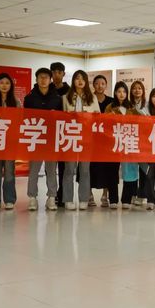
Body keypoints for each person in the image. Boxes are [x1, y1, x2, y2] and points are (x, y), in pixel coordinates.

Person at [24, 68, 63, 211]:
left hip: (51, 139)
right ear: (36, 79)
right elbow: (24, 117)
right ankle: (32, 197)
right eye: (40, 77)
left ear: (50, 79)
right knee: (34, 169)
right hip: (35, 137)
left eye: (46, 77)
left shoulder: (57, 98)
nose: (43, 80)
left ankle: (51, 197)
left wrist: (55, 115)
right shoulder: (29, 98)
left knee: (51, 170)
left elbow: (62, 118)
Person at [62, 70, 100, 210]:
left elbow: (98, 117)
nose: (80, 81)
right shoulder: (65, 97)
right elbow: (62, 118)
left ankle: (84, 198)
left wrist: (88, 116)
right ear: (73, 81)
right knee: (69, 169)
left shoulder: (92, 98)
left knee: (84, 169)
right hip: (71, 137)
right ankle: (68, 199)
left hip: (86, 138)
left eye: (82, 78)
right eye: (77, 78)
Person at [0, 73, 21, 210]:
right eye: (1, 83)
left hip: (10, 142)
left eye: (7, 83)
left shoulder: (16, 101)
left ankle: (9, 199)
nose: (4, 85)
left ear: (11, 85)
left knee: (9, 171)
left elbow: (19, 120)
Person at [104, 81, 139, 208]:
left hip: (128, 143)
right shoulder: (109, 107)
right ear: (115, 93)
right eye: (119, 91)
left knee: (129, 171)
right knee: (112, 171)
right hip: (113, 143)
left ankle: (126, 199)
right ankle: (113, 199)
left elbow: (139, 123)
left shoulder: (132, 108)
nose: (121, 94)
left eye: (124, 91)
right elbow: (104, 124)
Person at [90, 74, 115, 207]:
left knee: (107, 167)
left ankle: (105, 195)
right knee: (89, 167)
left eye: (102, 83)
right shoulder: (88, 99)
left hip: (107, 140)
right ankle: (89, 194)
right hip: (91, 139)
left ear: (106, 86)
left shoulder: (111, 101)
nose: (100, 86)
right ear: (93, 85)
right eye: (97, 83)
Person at [50, 62, 69, 207]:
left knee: (64, 167)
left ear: (63, 74)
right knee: (50, 168)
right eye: (54, 72)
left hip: (65, 133)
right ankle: (52, 195)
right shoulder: (46, 88)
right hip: (49, 133)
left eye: (59, 72)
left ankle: (62, 195)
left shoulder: (69, 91)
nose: (56, 75)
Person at [129, 80, 148, 207]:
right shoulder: (128, 104)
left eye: (139, 88)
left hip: (144, 140)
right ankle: (132, 193)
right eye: (134, 88)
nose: (137, 90)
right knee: (131, 169)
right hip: (131, 138)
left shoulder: (147, 104)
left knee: (143, 169)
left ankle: (142, 195)